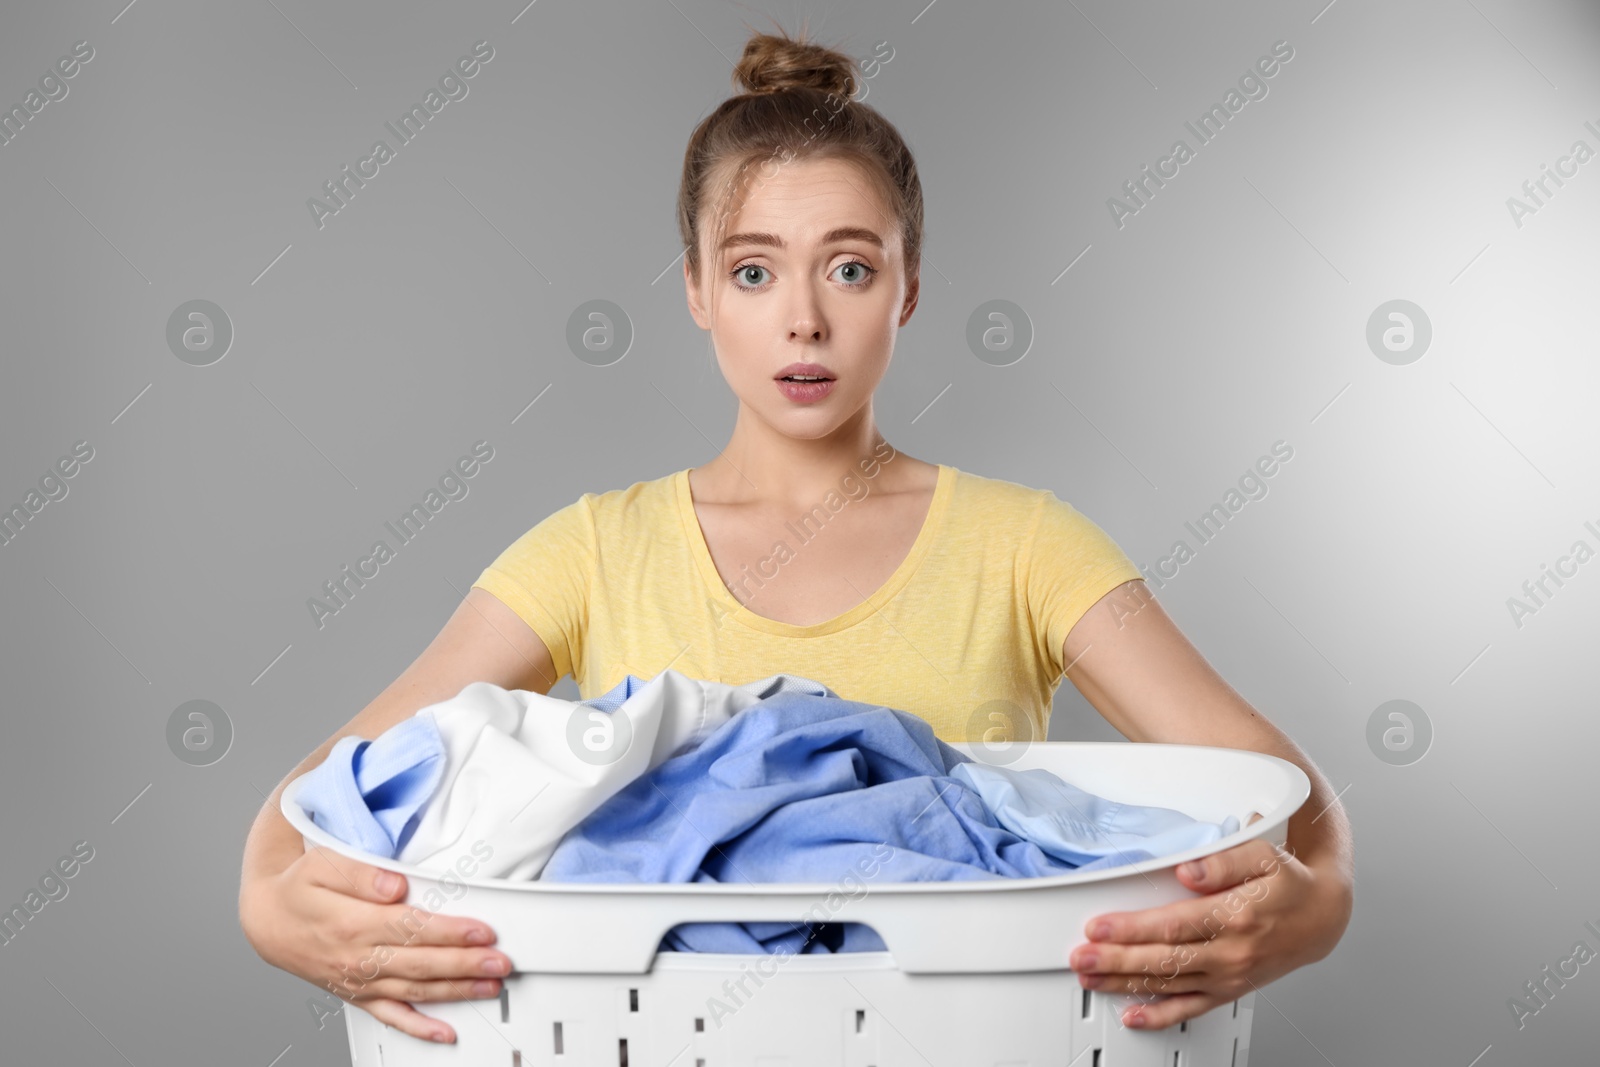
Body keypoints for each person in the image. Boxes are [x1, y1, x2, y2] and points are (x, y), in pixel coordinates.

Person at [239, 24, 1353, 1044]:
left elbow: (1275, 788)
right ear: (695, 290)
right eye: (754, 268)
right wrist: (271, 908)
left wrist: (1320, 907)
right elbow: (326, 795)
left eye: (852, 266)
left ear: (907, 288)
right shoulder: (588, 551)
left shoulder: (1024, 545)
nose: (804, 316)